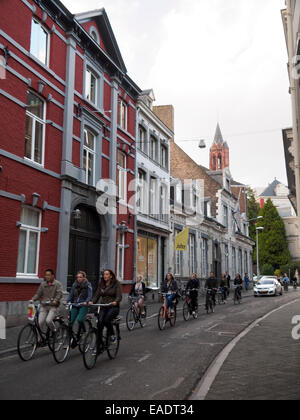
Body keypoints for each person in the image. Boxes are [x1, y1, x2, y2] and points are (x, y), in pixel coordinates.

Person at [90, 270, 123, 352]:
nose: (105, 276)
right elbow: (96, 295)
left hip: (113, 307)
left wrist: (116, 301)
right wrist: (92, 301)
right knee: (99, 323)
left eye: (107, 274)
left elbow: (119, 296)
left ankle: (112, 335)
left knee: (106, 320)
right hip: (104, 306)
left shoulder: (116, 284)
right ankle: (99, 346)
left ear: (111, 276)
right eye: (104, 274)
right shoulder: (101, 284)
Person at [31, 269, 63, 334]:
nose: (47, 276)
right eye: (46, 275)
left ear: (53, 276)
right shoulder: (43, 284)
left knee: (48, 321)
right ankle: (39, 340)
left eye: (48, 275)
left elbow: (59, 294)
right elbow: (38, 294)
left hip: (53, 306)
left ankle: (54, 331)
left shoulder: (57, 284)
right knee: (39, 323)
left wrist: (55, 300)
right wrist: (33, 299)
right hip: (44, 305)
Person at [66, 271, 93, 343]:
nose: (79, 278)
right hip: (75, 305)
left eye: (80, 277)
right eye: (77, 277)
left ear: (84, 277)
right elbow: (71, 295)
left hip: (83, 305)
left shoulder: (88, 285)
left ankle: (84, 331)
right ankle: (71, 339)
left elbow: (89, 295)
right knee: (70, 322)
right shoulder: (74, 285)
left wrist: (86, 301)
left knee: (80, 320)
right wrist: (66, 301)